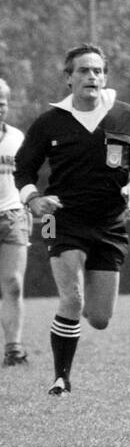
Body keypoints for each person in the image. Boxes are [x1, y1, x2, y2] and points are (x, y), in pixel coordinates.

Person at [14, 45, 130, 396]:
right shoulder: (49, 122)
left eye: (98, 71)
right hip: (61, 219)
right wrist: (33, 198)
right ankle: (61, 379)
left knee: (100, 318)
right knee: (72, 300)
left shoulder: (125, 115)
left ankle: (68, 335)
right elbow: (24, 169)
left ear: (105, 75)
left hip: (110, 222)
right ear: (68, 78)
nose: (92, 77)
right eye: (83, 71)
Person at [0, 78, 31, 367]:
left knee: (13, 283)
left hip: (12, 217)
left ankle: (14, 349)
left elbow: (26, 176)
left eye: (2, 102)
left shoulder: (17, 138)